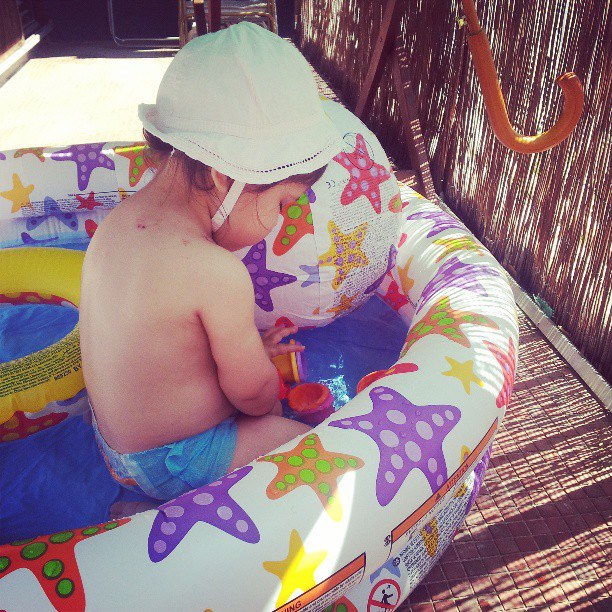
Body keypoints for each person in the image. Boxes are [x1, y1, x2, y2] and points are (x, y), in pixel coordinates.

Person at [79, 22, 344, 501]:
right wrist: (264, 376)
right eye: (284, 204)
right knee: (309, 450)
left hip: (114, 450)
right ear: (226, 178)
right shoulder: (216, 272)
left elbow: (162, 351)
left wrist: (247, 349)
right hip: (177, 459)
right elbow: (254, 397)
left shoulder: (116, 225)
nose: (282, 224)